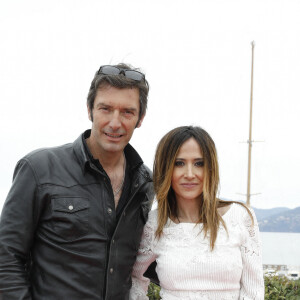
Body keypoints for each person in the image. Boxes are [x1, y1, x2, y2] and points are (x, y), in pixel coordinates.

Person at [0, 64, 155, 300]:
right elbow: (6, 256)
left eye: (127, 112)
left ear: (140, 118)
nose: (115, 123)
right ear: (90, 110)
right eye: (105, 108)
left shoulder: (145, 182)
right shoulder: (39, 169)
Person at [130, 126, 264, 300]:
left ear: (210, 168)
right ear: (166, 168)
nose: (190, 174)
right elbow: (134, 278)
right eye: (179, 163)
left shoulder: (240, 217)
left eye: (199, 163)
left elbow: (254, 292)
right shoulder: (155, 224)